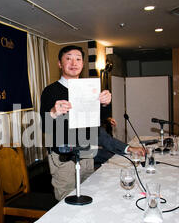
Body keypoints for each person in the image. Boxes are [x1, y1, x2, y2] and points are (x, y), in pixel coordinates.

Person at [40, 45, 143, 201]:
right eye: (68, 58)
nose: (73, 63)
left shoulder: (88, 88)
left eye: (78, 59)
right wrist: (53, 112)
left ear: (82, 64)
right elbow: (45, 127)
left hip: (87, 154)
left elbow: (97, 122)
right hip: (64, 157)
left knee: (89, 194)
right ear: (60, 64)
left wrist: (105, 104)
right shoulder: (50, 91)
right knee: (66, 201)